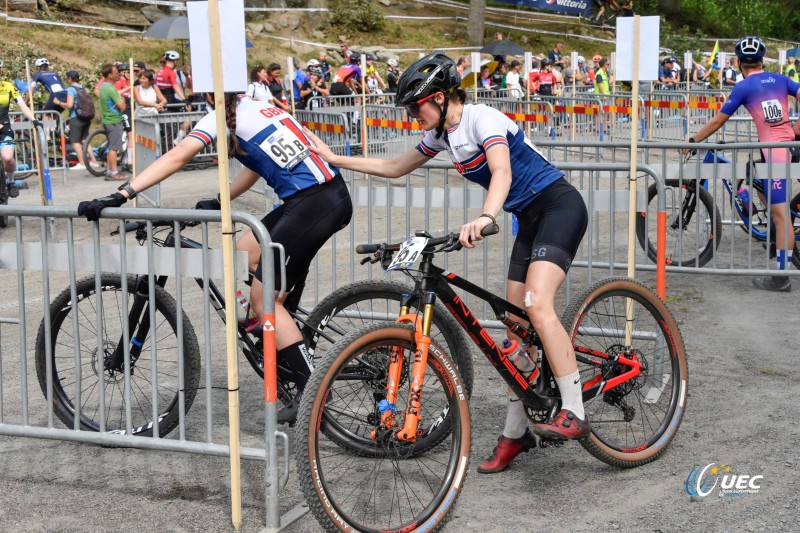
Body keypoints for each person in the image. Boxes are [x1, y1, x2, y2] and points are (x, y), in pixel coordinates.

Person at [303, 52, 590, 472]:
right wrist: (335, 159)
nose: (410, 114)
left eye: (414, 106)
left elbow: (503, 173)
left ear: (438, 98)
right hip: (528, 219)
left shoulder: (481, 118)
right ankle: (518, 431)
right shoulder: (443, 134)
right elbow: (396, 165)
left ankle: (575, 409)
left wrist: (486, 217)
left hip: (558, 207)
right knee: (516, 337)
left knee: (537, 304)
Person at [77, 93, 353, 424]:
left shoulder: (222, 115)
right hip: (322, 197)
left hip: (312, 203)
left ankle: (313, 391)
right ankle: (281, 338)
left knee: (265, 301)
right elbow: (254, 166)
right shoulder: (258, 105)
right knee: (243, 251)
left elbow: (179, 155)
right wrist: (221, 200)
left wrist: (122, 194)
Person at [685, 36, 800, 292]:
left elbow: (717, 122)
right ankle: (772, 238)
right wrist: (795, 129)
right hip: (776, 152)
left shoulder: (743, 87)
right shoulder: (780, 79)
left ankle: (781, 277)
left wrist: (693, 139)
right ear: (761, 60)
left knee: (782, 219)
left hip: (776, 154)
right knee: (756, 181)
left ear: (738, 63)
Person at [1, 58, 40, 197]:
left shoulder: (8, 86)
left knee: (7, 158)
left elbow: (23, 106)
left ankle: (10, 182)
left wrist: (34, 120)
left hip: (4, 129)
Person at [56, 70, 93, 171]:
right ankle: (93, 161)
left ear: (69, 78)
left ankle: (82, 163)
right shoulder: (82, 88)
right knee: (85, 140)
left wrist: (58, 102)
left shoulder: (71, 89)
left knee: (75, 141)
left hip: (76, 117)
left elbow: (69, 105)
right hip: (86, 117)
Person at [97, 63, 127, 181]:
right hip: (114, 120)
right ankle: (114, 172)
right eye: (116, 72)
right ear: (110, 75)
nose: (118, 74)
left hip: (107, 120)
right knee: (114, 148)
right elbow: (123, 106)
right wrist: (123, 100)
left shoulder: (103, 86)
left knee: (111, 147)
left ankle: (110, 171)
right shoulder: (111, 89)